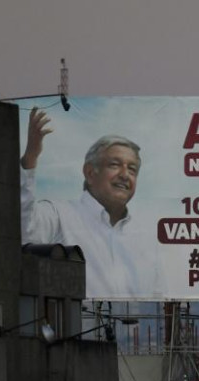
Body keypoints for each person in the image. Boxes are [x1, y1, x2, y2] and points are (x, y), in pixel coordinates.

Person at [20, 108, 160, 299]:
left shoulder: (145, 240)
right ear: (90, 172)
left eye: (132, 169)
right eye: (114, 164)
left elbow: (159, 299)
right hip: (75, 325)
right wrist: (30, 160)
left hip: (130, 328)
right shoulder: (59, 215)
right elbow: (24, 231)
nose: (125, 175)